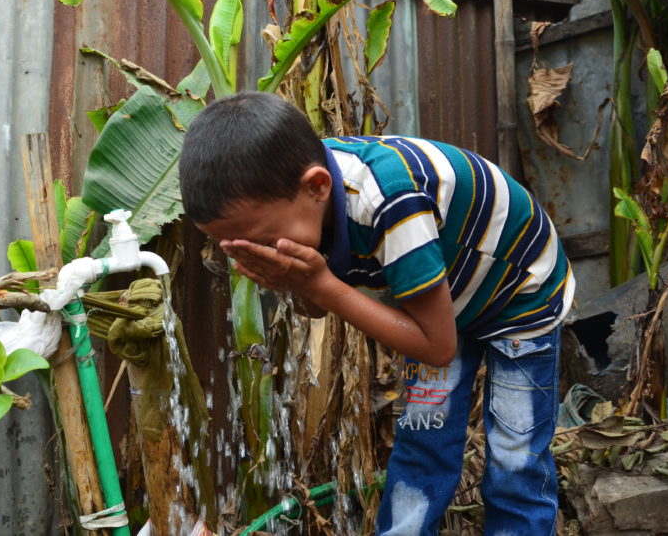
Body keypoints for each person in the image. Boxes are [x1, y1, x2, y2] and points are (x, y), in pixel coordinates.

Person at [178, 92, 574, 535]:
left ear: (316, 186)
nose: (255, 254)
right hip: (437, 298)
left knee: (514, 456)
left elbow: (438, 347)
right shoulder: (305, 202)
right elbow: (320, 303)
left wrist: (319, 283)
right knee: (425, 440)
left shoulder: (388, 201)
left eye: (260, 240)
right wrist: (302, 283)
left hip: (517, 293)